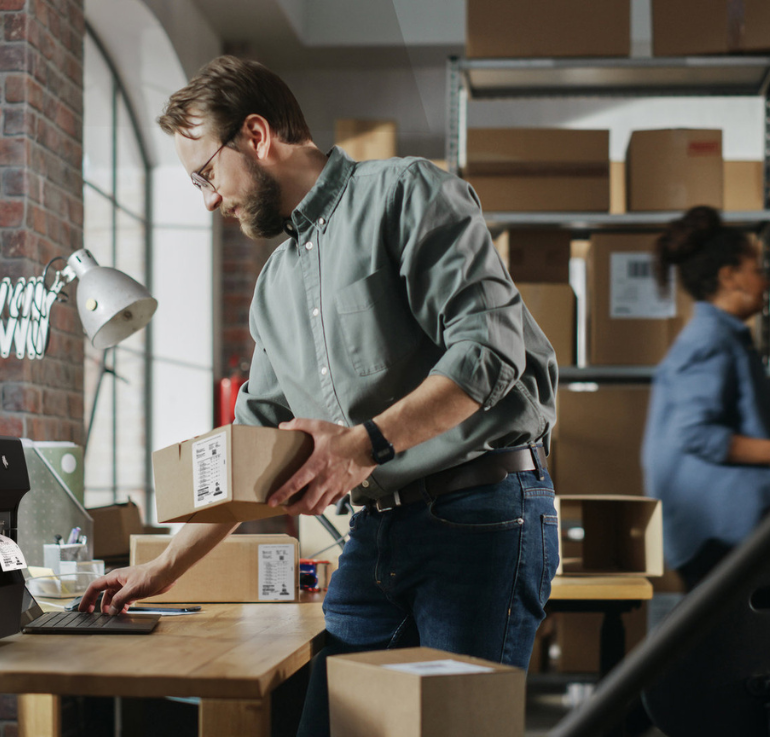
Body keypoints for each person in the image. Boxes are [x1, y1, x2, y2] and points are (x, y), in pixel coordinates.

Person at [78, 56, 559, 735]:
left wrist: (363, 446)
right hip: (379, 531)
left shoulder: (408, 193)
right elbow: (248, 452)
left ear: (255, 134)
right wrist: (161, 568)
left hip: (481, 513)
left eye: (206, 173)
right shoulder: (275, 287)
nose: (209, 200)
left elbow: (489, 354)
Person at [642, 206, 770, 591]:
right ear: (729, 277)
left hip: (725, 532)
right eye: (757, 270)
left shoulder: (724, 337)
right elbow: (695, 433)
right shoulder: (709, 341)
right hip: (716, 537)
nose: (766, 282)